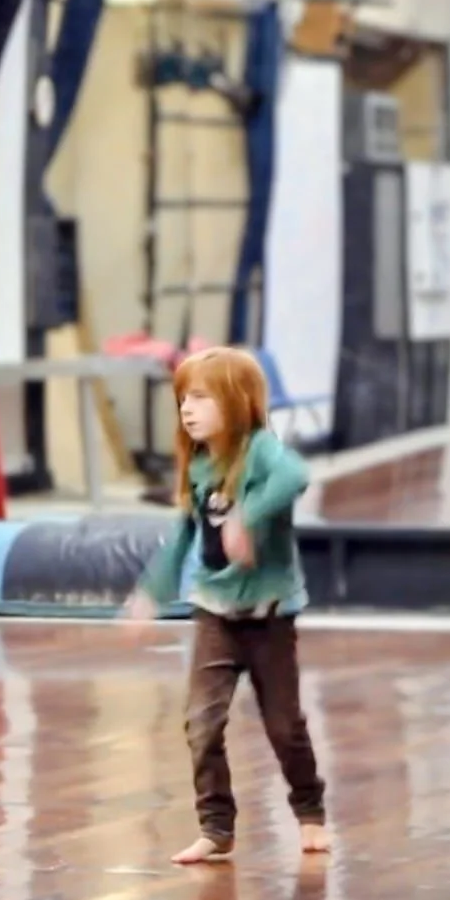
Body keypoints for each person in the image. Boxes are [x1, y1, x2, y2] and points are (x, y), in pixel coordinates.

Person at [123, 346, 329, 865]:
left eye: (200, 398)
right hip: (214, 613)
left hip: (268, 617)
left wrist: (247, 517)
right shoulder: (198, 465)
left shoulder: (260, 450)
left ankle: (310, 811)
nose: (186, 409)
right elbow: (183, 535)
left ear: (235, 401)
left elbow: (295, 476)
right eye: (182, 400)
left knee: (283, 725)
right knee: (201, 723)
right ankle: (216, 827)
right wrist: (150, 592)